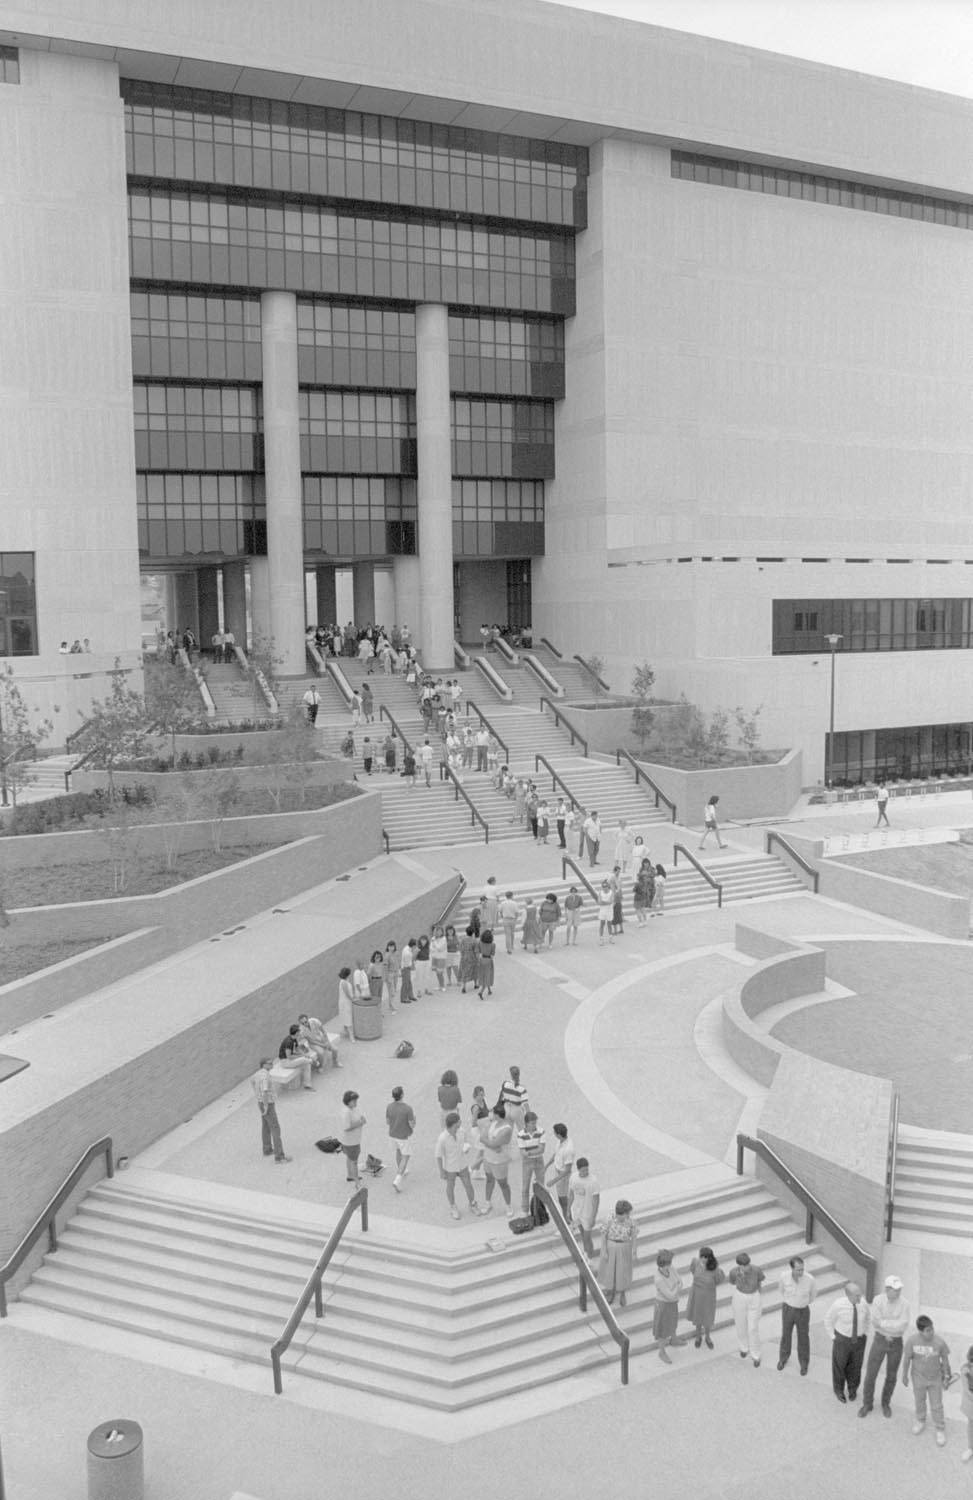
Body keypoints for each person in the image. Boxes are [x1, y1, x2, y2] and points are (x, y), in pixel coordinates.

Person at [859, 1274, 911, 1419]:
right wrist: (890, 1326)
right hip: (880, 1340)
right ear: (887, 1289)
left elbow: (903, 1325)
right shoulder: (877, 1300)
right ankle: (867, 1404)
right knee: (871, 1374)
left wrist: (885, 1324)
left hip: (896, 1342)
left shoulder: (905, 1303)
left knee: (892, 1375)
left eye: (899, 1289)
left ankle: (885, 1403)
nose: (898, 1292)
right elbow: (875, 1321)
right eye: (895, 1289)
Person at [901, 1315, 951, 1444]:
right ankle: (920, 1420)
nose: (931, 1332)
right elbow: (906, 1359)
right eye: (928, 1330)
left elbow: (945, 1360)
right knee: (920, 1401)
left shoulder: (939, 1342)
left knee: (937, 1405)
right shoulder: (912, 1341)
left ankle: (940, 1429)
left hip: (935, 1379)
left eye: (932, 1328)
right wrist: (904, 1375)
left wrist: (946, 1376)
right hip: (918, 1378)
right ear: (920, 1331)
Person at [436, 1111, 488, 1220]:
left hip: (462, 1164)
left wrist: (466, 1147)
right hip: (450, 1167)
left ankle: (472, 1204)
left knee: (468, 1185)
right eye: (458, 1123)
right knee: (450, 1187)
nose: (460, 1123)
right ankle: (453, 1207)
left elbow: (465, 1142)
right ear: (452, 1125)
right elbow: (438, 1156)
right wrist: (441, 1171)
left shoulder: (461, 1132)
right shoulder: (442, 1138)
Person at [825, 1281, 870, 1405]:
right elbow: (828, 1320)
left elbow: (868, 1318)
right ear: (848, 1295)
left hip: (859, 1340)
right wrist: (833, 1337)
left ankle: (852, 1389)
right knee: (840, 1366)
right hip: (842, 1340)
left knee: (856, 1366)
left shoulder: (863, 1303)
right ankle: (838, 1390)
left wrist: (865, 1332)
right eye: (857, 1295)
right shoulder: (838, 1305)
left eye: (860, 1294)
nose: (860, 1297)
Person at [777, 1255, 816, 1375]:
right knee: (786, 1335)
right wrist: (790, 1302)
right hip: (788, 1309)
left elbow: (813, 1295)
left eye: (802, 1269)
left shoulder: (810, 1279)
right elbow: (781, 1290)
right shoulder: (784, 1276)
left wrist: (802, 1303)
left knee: (803, 1337)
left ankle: (804, 1364)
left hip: (803, 1310)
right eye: (798, 1269)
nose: (801, 1272)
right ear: (792, 1268)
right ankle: (783, 1358)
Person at [728, 1252, 765, 1366]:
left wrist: (758, 1294)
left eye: (747, 1264)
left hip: (754, 1296)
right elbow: (732, 1282)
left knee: (753, 1327)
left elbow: (760, 1281)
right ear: (739, 1265)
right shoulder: (734, 1272)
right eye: (743, 1265)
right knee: (740, 1324)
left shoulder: (756, 1270)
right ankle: (743, 1348)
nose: (746, 1267)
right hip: (740, 1296)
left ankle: (756, 1354)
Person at [598, 1200, 637, 1308]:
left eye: (627, 1214)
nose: (626, 1216)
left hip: (624, 1247)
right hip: (611, 1247)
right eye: (625, 1214)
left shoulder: (631, 1222)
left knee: (622, 1271)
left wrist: (634, 1251)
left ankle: (622, 1293)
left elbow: (634, 1237)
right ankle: (611, 1291)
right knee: (610, 1271)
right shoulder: (609, 1219)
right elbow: (603, 1235)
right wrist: (604, 1250)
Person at [251, 1059, 291, 1162]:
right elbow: (265, 1092)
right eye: (269, 1063)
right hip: (267, 1104)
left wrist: (258, 1096)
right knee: (275, 1129)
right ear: (264, 1065)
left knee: (265, 1126)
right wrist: (266, 1106)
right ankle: (279, 1157)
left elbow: (252, 1082)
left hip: (260, 1103)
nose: (272, 1064)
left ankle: (267, 1149)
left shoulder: (257, 1074)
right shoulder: (265, 1077)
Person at [686, 1246, 725, 1349]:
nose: (703, 1259)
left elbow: (720, 1279)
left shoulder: (714, 1268)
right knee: (697, 1316)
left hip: (708, 1296)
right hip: (696, 1293)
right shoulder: (695, 1262)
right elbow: (692, 1270)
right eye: (702, 1257)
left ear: (710, 1257)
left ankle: (708, 1337)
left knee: (707, 1317)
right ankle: (698, 1337)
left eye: (706, 1257)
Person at [482, 1102, 514, 1216]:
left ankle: (508, 1206)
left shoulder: (507, 1129)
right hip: (488, 1158)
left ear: (496, 1114)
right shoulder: (492, 1123)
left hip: (499, 1162)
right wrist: (491, 1145)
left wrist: (491, 1144)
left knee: (503, 1184)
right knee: (489, 1180)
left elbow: (493, 1143)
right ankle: (488, 1203)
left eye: (492, 1113)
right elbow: (482, 1138)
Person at [653, 1249, 684, 1362]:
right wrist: (676, 1287)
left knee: (673, 1321)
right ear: (662, 1264)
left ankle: (674, 1339)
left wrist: (675, 1287)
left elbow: (681, 1281)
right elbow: (670, 1295)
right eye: (668, 1263)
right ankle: (662, 1352)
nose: (670, 1265)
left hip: (672, 1303)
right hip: (663, 1305)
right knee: (662, 1329)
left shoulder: (671, 1268)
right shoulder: (659, 1279)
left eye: (670, 1263)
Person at [568, 1157, 601, 1258]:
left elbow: (596, 1201)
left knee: (587, 1237)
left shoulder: (593, 1181)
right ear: (578, 1169)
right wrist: (567, 1209)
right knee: (583, 1235)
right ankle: (586, 1254)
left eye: (587, 1169)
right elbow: (571, 1194)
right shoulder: (573, 1177)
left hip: (588, 1213)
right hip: (577, 1212)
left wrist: (593, 1217)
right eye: (583, 1170)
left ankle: (590, 1257)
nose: (586, 1172)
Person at [516, 1110, 547, 1214]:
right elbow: (523, 1153)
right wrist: (534, 1151)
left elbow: (541, 1149)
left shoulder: (541, 1131)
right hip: (527, 1162)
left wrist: (528, 1152)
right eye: (532, 1123)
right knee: (525, 1187)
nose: (535, 1125)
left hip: (539, 1161)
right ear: (526, 1123)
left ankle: (540, 1209)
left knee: (541, 1187)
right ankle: (525, 1211)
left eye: (535, 1122)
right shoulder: (520, 1134)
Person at [386, 1085, 415, 1192]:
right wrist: (414, 1121)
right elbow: (412, 1124)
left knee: (398, 1152)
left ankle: (402, 1169)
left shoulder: (389, 1106)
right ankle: (398, 1179)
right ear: (402, 1095)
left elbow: (388, 1122)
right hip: (403, 1136)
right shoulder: (407, 1109)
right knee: (406, 1156)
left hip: (392, 1135)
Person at [544, 1122, 575, 1215]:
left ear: (558, 1135)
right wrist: (547, 1165)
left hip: (563, 1176)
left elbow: (567, 1170)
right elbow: (556, 1154)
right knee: (561, 1197)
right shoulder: (560, 1141)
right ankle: (565, 1213)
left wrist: (553, 1181)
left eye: (554, 1133)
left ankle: (567, 1217)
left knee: (563, 1198)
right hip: (558, 1172)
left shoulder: (568, 1149)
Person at [340, 1089, 366, 1188]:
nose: (356, 1102)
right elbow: (346, 1127)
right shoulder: (346, 1112)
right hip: (351, 1142)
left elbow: (360, 1117)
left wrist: (361, 1120)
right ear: (348, 1101)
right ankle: (357, 1182)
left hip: (351, 1141)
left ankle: (350, 1175)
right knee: (354, 1161)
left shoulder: (353, 1109)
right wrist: (360, 1123)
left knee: (349, 1158)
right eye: (354, 1101)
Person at [277, 1025, 315, 1089]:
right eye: (299, 1031)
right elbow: (289, 1056)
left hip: (290, 1060)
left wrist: (304, 1054)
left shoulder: (294, 1039)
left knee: (307, 1064)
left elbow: (297, 1049)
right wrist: (302, 1056)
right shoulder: (289, 1042)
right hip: (285, 1062)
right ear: (297, 1033)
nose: (300, 1032)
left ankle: (307, 1084)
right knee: (304, 1060)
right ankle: (313, 1061)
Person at [499, 1065, 528, 1130]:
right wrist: (529, 1114)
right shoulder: (522, 1087)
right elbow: (525, 1103)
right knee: (522, 1129)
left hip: (507, 1109)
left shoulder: (505, 1084)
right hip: (517, 1110)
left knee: (507, 1130)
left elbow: (501, 1096)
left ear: (510, 1074)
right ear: (519, 1073)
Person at [959, 1344, 973, 1461]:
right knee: (971, 1426)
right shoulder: (966, 1371)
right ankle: (971, 1448)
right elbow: (969, 1391)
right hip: (971, 1406)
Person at [476, 927, 496, 998]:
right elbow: (492, 954)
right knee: (487, 976)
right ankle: (481, 992)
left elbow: (478, 951)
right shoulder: (493, 944)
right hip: (488, 961)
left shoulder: (480, 943)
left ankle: (489, 990)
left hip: (481, 960)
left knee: (483, 975)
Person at [458, 925, 479, 993]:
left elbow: (460, 949)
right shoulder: (474, 941)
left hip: (464, 958)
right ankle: (476, 984)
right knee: (475, 971)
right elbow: (476, 951)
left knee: (464, 972)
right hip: (472, 958)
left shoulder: (463, 940)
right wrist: (478, 959)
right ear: (473, 933)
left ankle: (464, 987)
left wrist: (462, 954)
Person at [336, 965, 355, 1041]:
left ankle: (346, 1031)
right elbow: (347, 993)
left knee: (346, 1016)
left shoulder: (345, 981)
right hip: (345, 1002)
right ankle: (351, 1036)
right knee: (348, 1017)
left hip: (346, 1002)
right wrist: (353, 999)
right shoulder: (343, 982)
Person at [633, 861, 654, 926]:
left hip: (637, 898)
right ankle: (645, 921)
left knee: (638, 911)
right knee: (643, 909)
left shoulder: (637, 884)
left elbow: (633, 890)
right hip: (643, 897)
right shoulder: (644, 883)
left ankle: (640, 922)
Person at [430, 925, 448, 990]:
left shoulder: (444, 939)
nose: (439, 932)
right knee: (437, 973)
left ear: (442, 932)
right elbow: (431, 948)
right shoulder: (433, 938)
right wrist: (435, 948)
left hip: (441, 957)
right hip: (435, 957)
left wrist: (435, 944)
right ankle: (439, 985)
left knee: (440, 972)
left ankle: (443, 986)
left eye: (440, 931)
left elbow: (440, 948)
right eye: (438, 931)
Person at [383, 940, 400, 1010]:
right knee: (391, 991)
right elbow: (385, 967)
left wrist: (399, 972)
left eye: (392, 946)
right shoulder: (387, 955)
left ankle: (391, 1004)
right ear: (388, 947)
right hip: (390, 974)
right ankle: (392, 1006)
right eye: (390, 946)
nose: (391, 948)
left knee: (394, 990)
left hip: (395, 973)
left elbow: (397, 963)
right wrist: (387, 977)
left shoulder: (396, 953)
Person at [399, 937, 416, 1004]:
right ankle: (403, 998)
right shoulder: (407, 952)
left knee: (409, 983)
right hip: (406, 969)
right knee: (405, 984)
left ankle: (410, 996)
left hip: (406, 968)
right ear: (413, 945)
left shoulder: (407, 948)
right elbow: (408, 964)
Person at [597, 880, 614, 945]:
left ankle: (610, 938)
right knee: (602, 924)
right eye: (603, 886)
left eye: (606, 886)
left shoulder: (611, 892)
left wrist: (603, 902)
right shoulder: (600, 893)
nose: (605, 887)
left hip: (609, 911)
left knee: (609, 924)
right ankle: (601, 939)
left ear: (608, 886)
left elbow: (611, 901)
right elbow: (599, 902)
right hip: (602, 911)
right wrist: (606, 902)